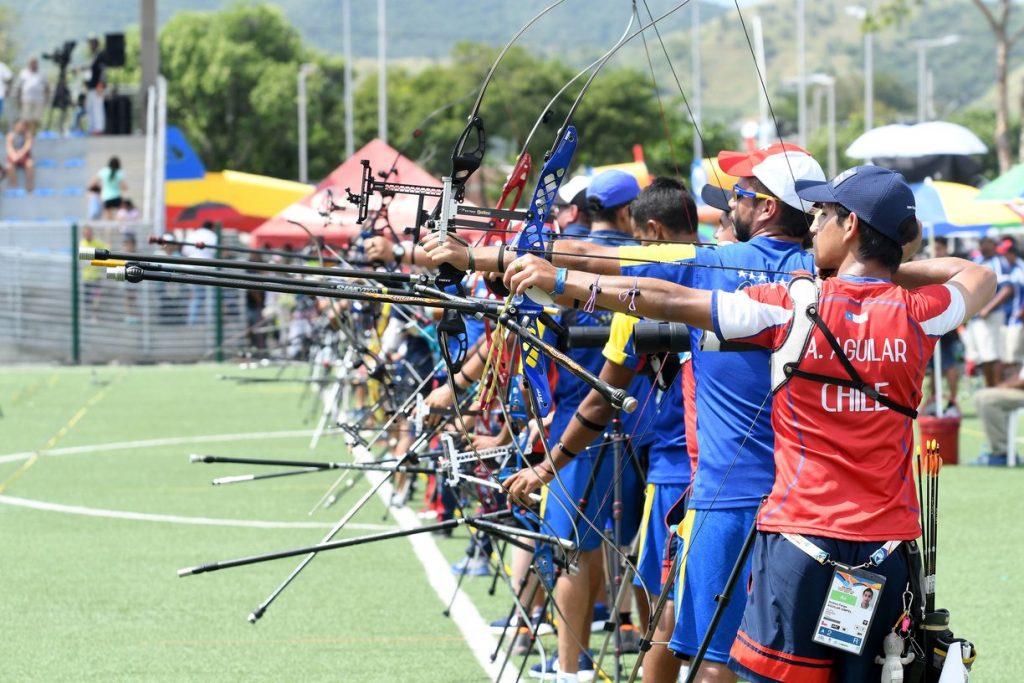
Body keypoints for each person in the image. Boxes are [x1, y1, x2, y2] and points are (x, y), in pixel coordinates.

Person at [499, 164, 995, 682]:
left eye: (825, 215)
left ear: (850, 227)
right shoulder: (920, 313)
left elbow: (669, 300)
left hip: (801, 544)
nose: (815, 227)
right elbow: (977, 274)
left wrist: (561, 281)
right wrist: (889, 263)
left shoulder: (794, 305)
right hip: (885, 550)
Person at [426, 143, 827, 683]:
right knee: (790, 658)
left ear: (768, 208)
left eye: (740, 195)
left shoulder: (714, 264)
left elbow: (595, 260)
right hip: (808, 502)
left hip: (727, 498)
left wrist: (473, 256)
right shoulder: (829, 277)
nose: (730, 206)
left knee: (712, 658)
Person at [506, 176, 701, 683]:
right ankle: (629, 642)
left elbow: (582, 256)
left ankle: (572, 671)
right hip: (744, 467)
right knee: (654, 570)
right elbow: (583, 254)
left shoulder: (632, 290)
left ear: (649, 229)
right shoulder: (744, 266)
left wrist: (547, 466)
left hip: (659, 453)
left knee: (611, 564)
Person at [965, 236, 1012, 387]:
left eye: (987, 243)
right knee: (983, 357)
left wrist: (987, 308)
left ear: (993, 244)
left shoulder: (999, 262)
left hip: (991, 315)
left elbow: (1007, 288)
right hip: (976, 316)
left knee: (993, 356)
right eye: (981, 243)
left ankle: (996, 391)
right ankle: (991, 390)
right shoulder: (977, 262)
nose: (984, 246)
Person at [14, 57, 49, 135]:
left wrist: (46, 99)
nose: (33, 65)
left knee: (36, 119)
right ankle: (25, 135)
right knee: (25, 119)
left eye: (34, 63)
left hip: (39, 100)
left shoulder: (41, 73)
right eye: (31, 63)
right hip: (26, 99)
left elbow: (47, 87)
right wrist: (18, 100)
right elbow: (19, 87)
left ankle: (33, 134)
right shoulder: (23, 73)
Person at [83, 36, 106, 134]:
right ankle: (92, 128)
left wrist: (100, 85)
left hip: (97, 87)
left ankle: (99, 128)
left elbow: (102, 72)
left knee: (97, 108)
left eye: (91, 43)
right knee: (90, 108)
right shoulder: (93, 55)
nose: (89, 46)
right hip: (91, 87)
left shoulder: (100, 55)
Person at [5, 119, 34, 192]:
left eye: (22, 126)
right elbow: (9, 147)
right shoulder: (10, 135)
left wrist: (20, 154)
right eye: (18, 125)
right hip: (13, 156)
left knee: (30, 164)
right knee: (9, 166)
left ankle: (29, 185)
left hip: (24, 156)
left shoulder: (27, 135)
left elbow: (27, 146)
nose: (20, 127)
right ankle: (14, 186)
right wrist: (14, 155)